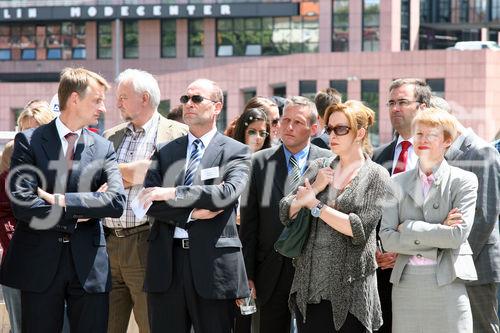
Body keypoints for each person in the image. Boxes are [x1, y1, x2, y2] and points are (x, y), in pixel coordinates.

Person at [0, 67, 126, 333]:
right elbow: (23, 206)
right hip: (39, 264)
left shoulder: (103, 147)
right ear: (74, 99)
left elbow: (115, 202)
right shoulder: (29, 141)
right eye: (97, 100)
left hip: (89, 265)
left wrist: (62, 201)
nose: (103, 108)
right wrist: (89, 204)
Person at [139, 78, 251, 333]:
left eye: (197, 99)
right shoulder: (166, 151)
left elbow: (226, 194)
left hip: (213, 267)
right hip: (167, 266)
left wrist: (173, 193)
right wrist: (190, 213)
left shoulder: (236, 151)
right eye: (185, 99)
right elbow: (148, 202)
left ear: (217, 107)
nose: (189, 104)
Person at [279, 100, 391, 332]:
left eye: (341, 129)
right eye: (329, 128)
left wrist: (315, 205)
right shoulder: (320, 166)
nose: (332, 134)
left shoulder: (376, 175)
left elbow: (358, 229)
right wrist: (316, 188)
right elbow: (286, 210)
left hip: (351, 290)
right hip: (309, 286)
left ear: (360, 133)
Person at [102, 69, 188, 333]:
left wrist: (129, 173)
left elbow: (170, 180)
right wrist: (136, 172)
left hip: (147, 242)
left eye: (123, 97)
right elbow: (100, 181)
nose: (117, 104)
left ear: (144, 98)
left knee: (151, 324)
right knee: (105, 325)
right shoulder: (110, 136)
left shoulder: (178, 134)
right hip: (107, 244)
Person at [380, 108, 478, 332]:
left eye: (431, 135)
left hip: (448, 282)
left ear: (447, 141)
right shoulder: (396, 182)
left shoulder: (464, 181)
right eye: (418, 134)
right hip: (406, 285)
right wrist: (439, 230)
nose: (422, 140)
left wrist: (410, 227)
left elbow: (456, 236)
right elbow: (387, 239)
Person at [239, 96, 330, 333]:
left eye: (297, 122)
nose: (288, 127)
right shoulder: (257, 163)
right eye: (285, 120)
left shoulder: (329, 162)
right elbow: (249, 226)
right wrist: (247, 275)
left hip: (315, 273)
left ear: (314, 127)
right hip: (269, 273)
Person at [371, 78, 431, 332]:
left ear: (423, 107)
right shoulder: (378, 156)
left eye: (403, 102)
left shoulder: (440, 156)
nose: (395, 109)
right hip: (383, 272)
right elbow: (372, 211)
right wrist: (376, 250)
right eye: (391, 103)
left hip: (426, 272)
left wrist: (405, 252)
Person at [0, 100, 55, 333]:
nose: (27, 137)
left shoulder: (65, 161)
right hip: (20, 259)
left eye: (34, 130)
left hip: (57, 261)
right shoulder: (12, 160)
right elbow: (3, 212)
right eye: (24, 131)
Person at [445, 112, 500, 333]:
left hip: (477, 266)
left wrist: (456, 260)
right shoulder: (447, 152)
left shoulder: (482, 151)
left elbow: (485, 215)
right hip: (456, 267)